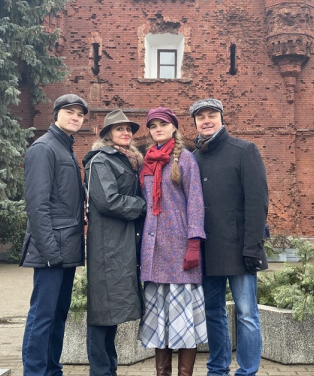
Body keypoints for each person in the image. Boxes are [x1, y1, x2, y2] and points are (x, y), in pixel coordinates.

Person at [189, 98, 269, 376]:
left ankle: (247, 371)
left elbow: (257, 202)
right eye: (201, 117)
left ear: (222, 118)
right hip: (207, 250)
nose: (206, 121)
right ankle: (217, 368)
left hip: (239, 248)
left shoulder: (244, 150)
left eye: (211, 115)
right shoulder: (193, 158)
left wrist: (253, 247)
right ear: (195, 123)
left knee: (247, 314)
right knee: (213, 312)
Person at [19, 94, 89, 376]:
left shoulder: (66, 148)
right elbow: (37, 205)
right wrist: (49, 252)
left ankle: (52, 370)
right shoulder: (43, 148)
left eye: (80, 114)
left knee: (58, 315)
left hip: (66, 247)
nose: (75, 117)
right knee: (42, 316)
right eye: (70, 112)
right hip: (52, 249)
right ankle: (35, 372)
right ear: (56, 114)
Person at [138, 107, 207, 376]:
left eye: (163, 124)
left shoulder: (185, 159)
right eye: (153, 125)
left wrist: (194, 243)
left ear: (173, 128)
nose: (158, 129)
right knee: (160, 319)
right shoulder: (146, 162)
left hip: (179, 248)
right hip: (154, 250)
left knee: (183, 319)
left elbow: (196, 202)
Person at [83, 109, 147, 376]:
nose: (126, 132)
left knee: (112, 312)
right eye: (119, 128)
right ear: (108, 133)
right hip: (107, 245)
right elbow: (107, 200)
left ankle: (109, 368)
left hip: (122, 242)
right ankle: (100, 370)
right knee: (102, 312)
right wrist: (143, 205)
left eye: (129, 129)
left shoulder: (128, 160)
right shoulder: (101, 160)